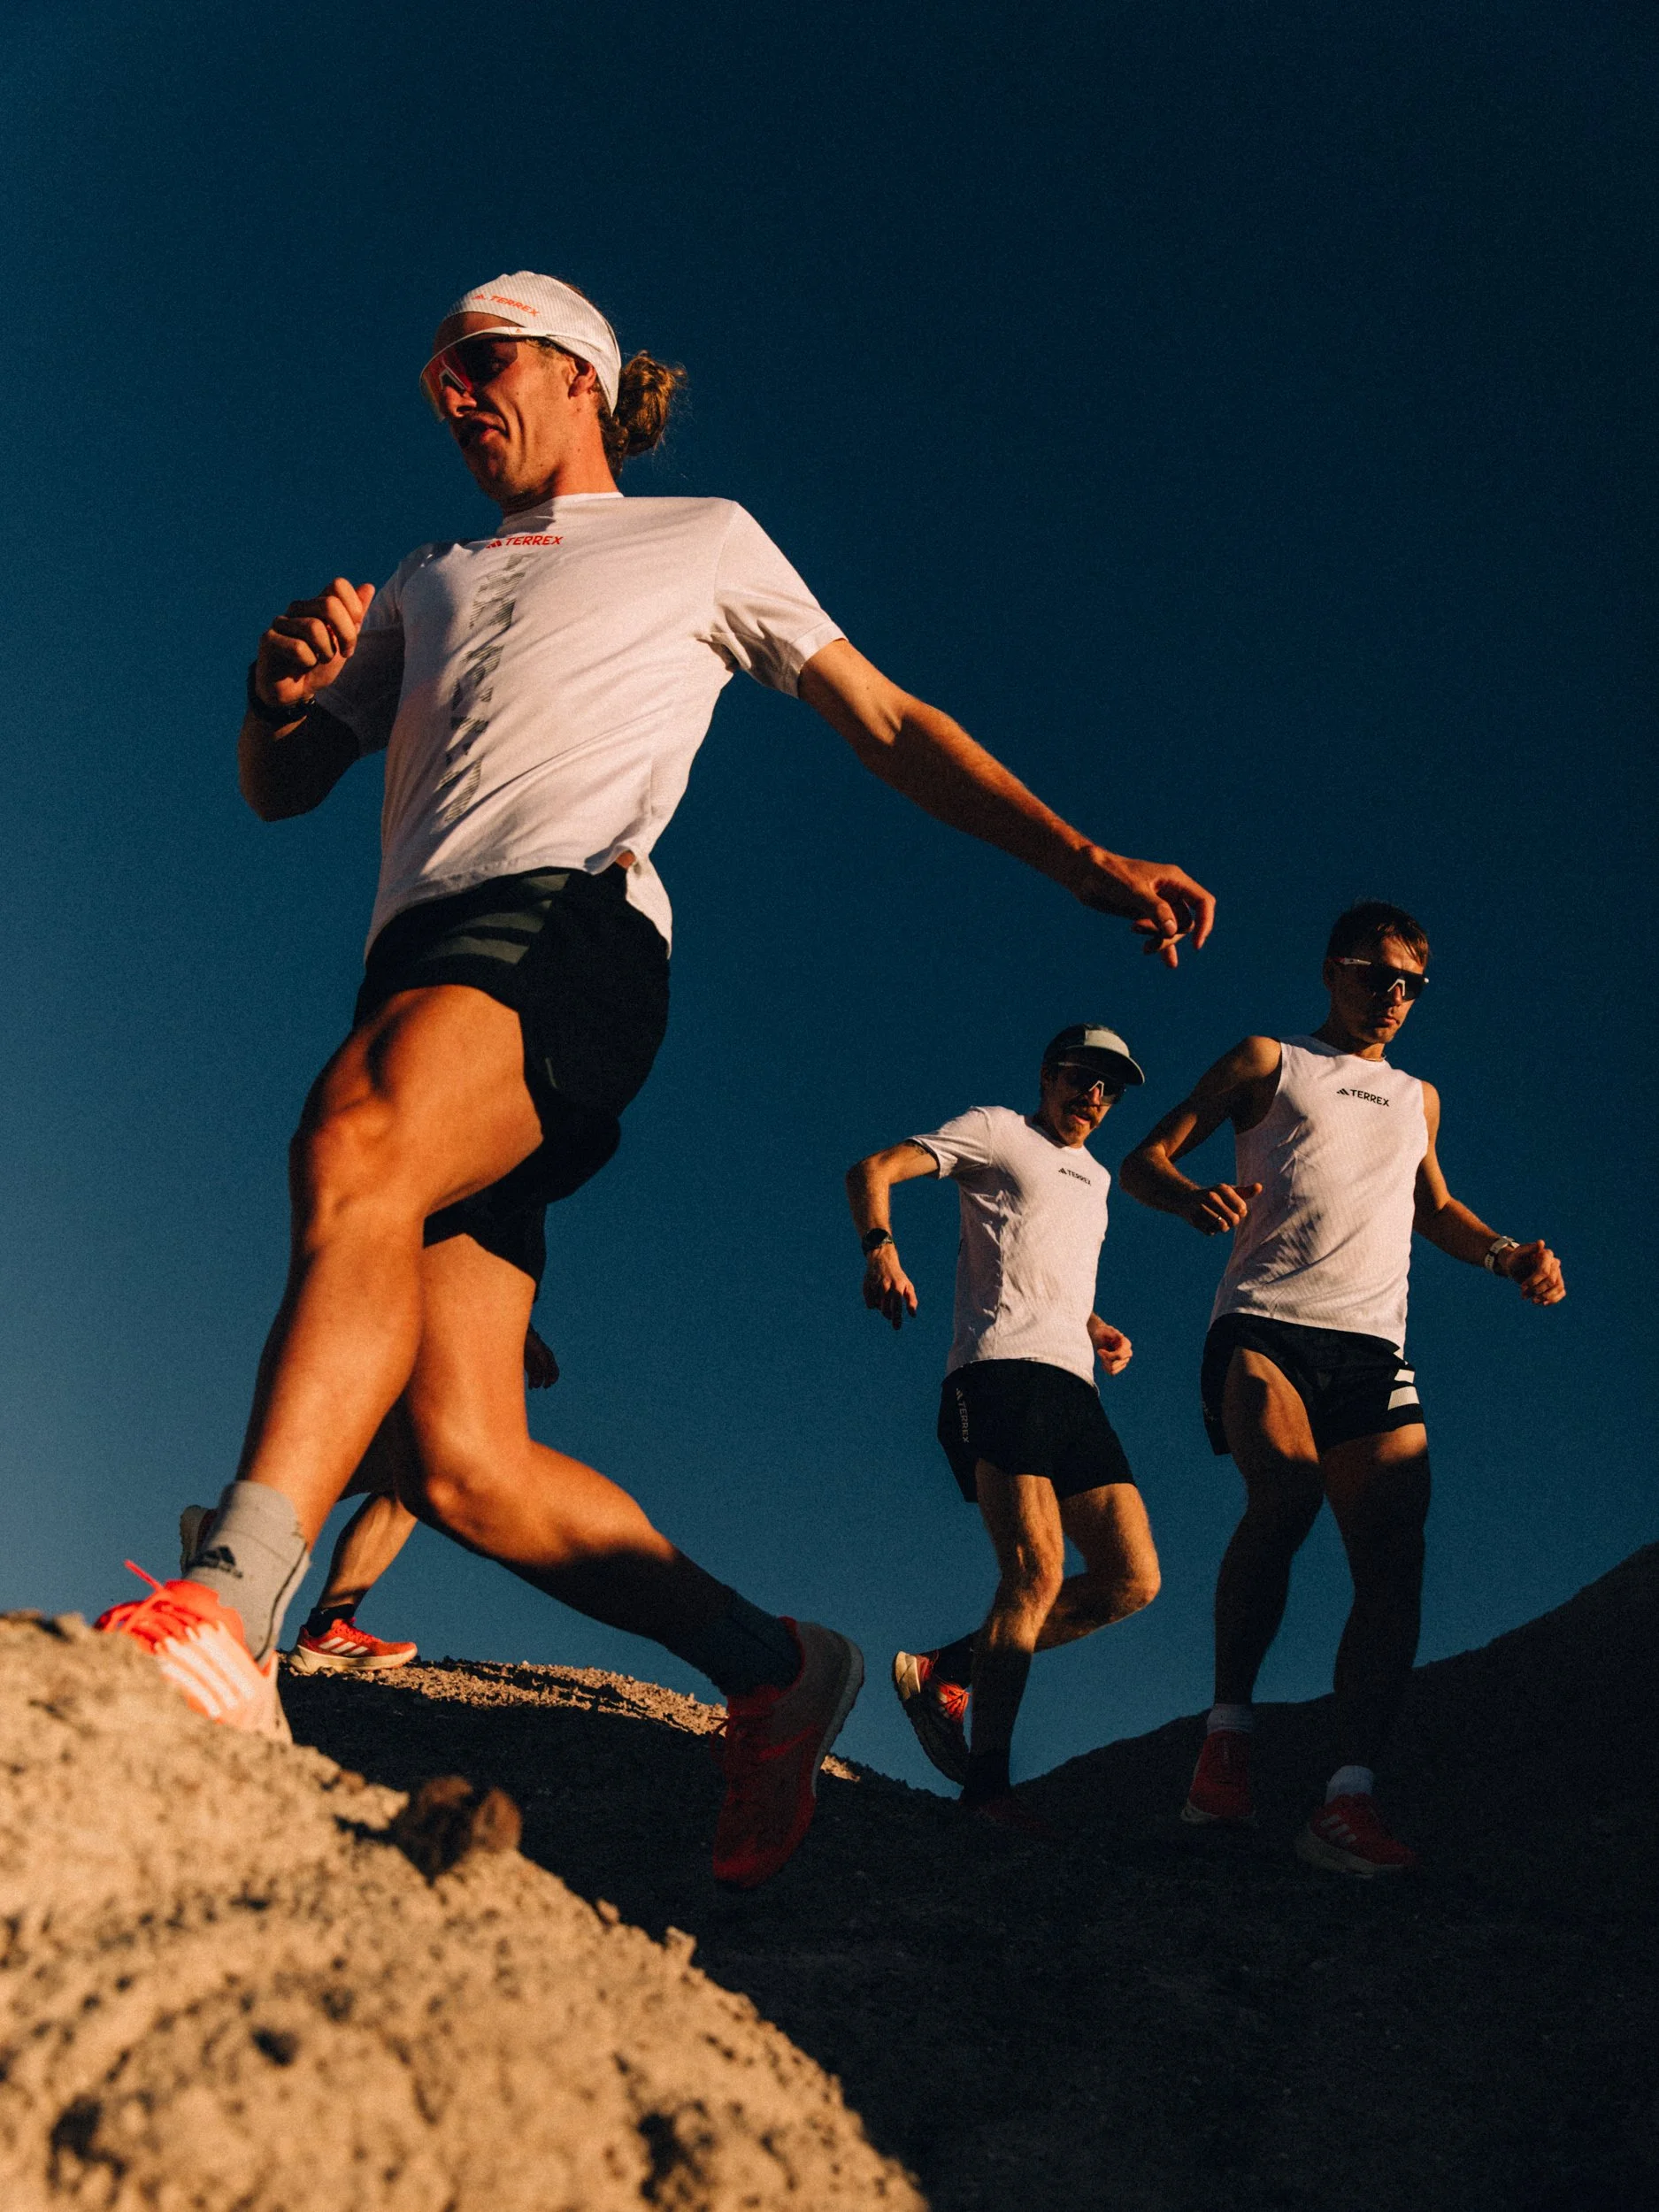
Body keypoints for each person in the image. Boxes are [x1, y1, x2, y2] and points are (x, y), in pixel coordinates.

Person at [96, 269, 1212, 1890]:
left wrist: (1079, 856)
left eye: (478, 363)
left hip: (570, 933)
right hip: (423, 967)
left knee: (355, 1136)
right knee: (468, 1464)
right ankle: (777, 1668)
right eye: (433, 381)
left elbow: (887, 722)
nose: (450, 395)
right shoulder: (428, 575)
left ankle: (231, 1613)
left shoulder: (703, 539)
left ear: (578, 371)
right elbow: (286, 785)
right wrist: (272, 690)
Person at [1119, 902, 1564, 1876]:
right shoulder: (1267, 1061)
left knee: (1393, 1556)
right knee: (1283, 1491)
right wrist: (1193, 1196)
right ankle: (1226, 1741)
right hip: (1266, 1323)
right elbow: (1143, 1160)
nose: (1394, 995)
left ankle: (1345, 1802)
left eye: (1412, 983)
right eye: (1378, 974)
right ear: (1334, 970)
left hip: (1373, 1347)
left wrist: (1505, 1253)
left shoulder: (1419, 1099)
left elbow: (1434, 1208)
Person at [848, 1025, 1162, 1827]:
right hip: (997, 1373)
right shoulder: (996, 1130)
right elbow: (872, 1169)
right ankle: (988, 1785)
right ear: (1049, 1075)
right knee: (1035, 1573)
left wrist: (1094, 1327)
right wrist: (880, 1248)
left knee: (1132, 1578)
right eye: (1080, 1076)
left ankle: (947, 1667)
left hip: (1073, 1385)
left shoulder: (1093, 1178)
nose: (1093, 1094)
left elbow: (1043, 1260)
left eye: (1109, 1086)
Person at [180, 1321, 559, 1675]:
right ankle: (235, 1531)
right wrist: (517, 1329)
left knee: (417, 1472)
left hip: (438, 1321)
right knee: (425, 1455)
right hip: (421, 1317)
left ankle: (327, 1625)